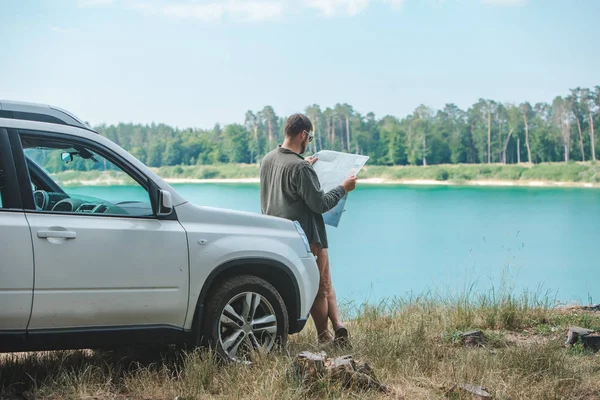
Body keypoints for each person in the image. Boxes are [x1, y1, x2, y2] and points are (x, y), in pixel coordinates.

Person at [259, 113, 357, 346]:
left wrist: (305, 166)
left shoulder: (268, 159)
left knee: (324, 282)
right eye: (309, 137)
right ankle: (324, 337)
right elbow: (320, 204)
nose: (308, 142)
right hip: (307, 237)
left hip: (277, 235)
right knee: (320, 288)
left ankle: (338, 326)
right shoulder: (300, 168)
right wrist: (344, 188)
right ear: (303, 134)